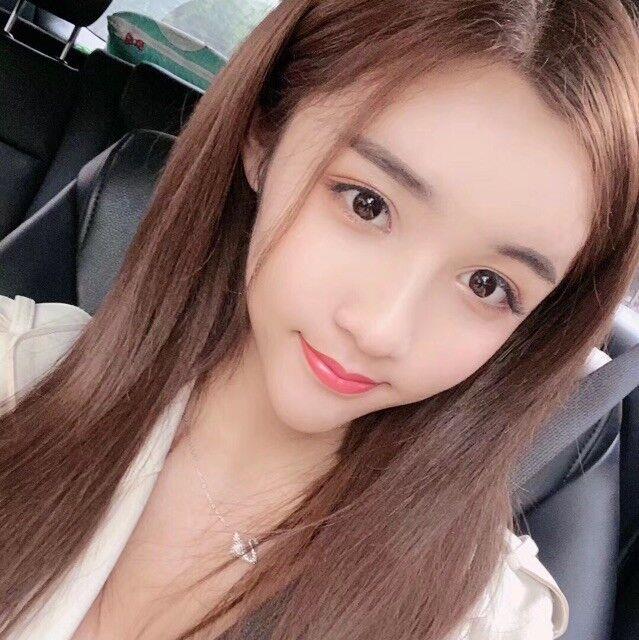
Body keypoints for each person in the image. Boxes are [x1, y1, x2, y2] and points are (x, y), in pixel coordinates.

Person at [1, 0, 639, 638]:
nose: (382, 329)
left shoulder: (484, 623)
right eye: (367, 205)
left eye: (487, 285)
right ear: (264, 135)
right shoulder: (15, 377)